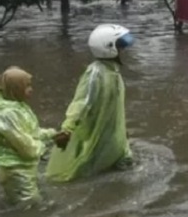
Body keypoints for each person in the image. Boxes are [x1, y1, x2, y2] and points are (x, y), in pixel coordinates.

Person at [46, 24, 135, 182]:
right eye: (121, 47)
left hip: (112, 132)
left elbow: (116, 107)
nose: (124, 51)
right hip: (96, 131)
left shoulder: (113, 71)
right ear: (109, 48)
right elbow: (82, 102)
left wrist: (122, 129)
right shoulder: (95, 73)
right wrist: (67, 129)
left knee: (123, 166)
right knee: (87, 170)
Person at [0, 66, 64, 208]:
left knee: (32, 204)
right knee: (30, 208)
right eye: (27, 86)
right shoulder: (8, 115)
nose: (31, 89)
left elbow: (31, 132)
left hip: (22, 168)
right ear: (15, 89)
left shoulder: (18, 107)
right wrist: (47, 145)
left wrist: (52, 135)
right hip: (14, 170)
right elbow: (26, 147)